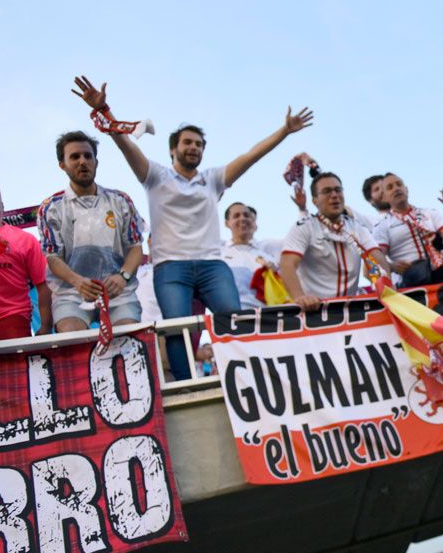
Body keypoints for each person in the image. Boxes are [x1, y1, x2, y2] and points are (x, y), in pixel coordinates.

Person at [72, 75, 313, 379]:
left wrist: (284, 131)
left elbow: (251, 156)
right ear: (173, 149)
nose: (194, 148)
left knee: (234, 320)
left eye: (199, 144)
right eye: (187, 142)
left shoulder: (212, 179)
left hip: (212, 265)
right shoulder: (155, 175)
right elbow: (125, 143)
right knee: (178, 327)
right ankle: (187, 383)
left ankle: (249, 378)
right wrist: (104, 110)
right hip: (172, 267)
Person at [38, 131, 145, 332]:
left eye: (88, 156)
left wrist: (123, 277)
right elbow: (52, 257)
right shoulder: (51, 207)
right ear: (62, 164)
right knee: (72, 339)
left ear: (96, 161)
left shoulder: (121, 200)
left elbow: (136, 247)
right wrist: (77, 282)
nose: (82, 161)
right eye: (74, 157)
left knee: (128, 338)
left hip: (119, 293)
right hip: (70, 294)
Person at [280, 171, 391, 310]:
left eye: (338, 190)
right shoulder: (304, 227)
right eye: (327, 191)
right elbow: (287, 264)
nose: (334, 195)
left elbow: (376, 260)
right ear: (315, 201)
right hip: (313, 311)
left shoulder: (357, 228)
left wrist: (386, 289)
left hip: (349, 310)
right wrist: (300, 297)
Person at [0, 176, 53, 340]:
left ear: (2, 205)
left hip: (12, 320)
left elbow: (44, 285)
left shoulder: (25, 240)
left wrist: (45, 326)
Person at [373, 173, 443, 287]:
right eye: (390, 187)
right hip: (414, 284)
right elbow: (373, 261)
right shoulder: (382, 226)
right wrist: (391, 266)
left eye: (399, 184)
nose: (396, 188)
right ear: (384, 197)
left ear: (406, 189)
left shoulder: (430, 213)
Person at [220, 202, 284, 310]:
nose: (243, 219)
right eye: (236, 216)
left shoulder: (268, 259)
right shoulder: (218, 255)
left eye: (246, 215)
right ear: (227, 223)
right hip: (228, 319)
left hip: (265, 319)